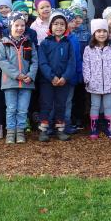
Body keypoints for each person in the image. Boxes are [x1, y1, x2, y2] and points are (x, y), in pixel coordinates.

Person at [0, 11, 39, 144]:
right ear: (11, 25)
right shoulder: (3, 43)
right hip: (10, 83)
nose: (20, 28)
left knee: (22, 109)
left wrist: (30, 76)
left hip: (27, 83)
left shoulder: (29, 43)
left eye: (22, 25)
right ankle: (11, 131)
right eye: (16, 25)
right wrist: (17, 75)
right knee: (11, 108)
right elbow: (2, 62)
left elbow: (35, 61)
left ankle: (20, 131)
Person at [37, 10, 77, 142]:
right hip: (47, 81)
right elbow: (42, 62)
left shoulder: (68, 43)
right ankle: (44, 130)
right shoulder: (45, 43)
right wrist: (51, 77)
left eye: (61, 24)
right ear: (50, 27)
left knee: (61, 105)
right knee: (46, 104)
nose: (59, 27)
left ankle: (60, 130)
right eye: (55, 24)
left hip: (63, 81)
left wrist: (65, 77)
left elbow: (72, 63)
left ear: (65, 27)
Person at [82, 19, 111, 140]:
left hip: (109, 83)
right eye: (98, 31)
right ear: (94, 33)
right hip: (94, 83)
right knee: (95, 106)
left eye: (104, 31)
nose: (102, 34)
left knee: (108, 105)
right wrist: (87, 78)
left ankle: (109, 127)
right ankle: (94, 127)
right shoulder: (89, 49)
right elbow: (86, 65)